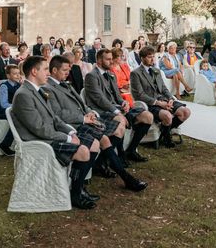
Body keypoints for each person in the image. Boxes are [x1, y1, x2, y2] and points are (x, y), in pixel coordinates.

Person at [47, 55, 147, 191]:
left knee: (115, 130)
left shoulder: (65, 84)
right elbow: (58, 114)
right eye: (64, 70)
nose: (68, 72)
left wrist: (90, 113)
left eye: (68, 69)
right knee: (105, 139)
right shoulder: (48, 88)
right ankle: (125, 177)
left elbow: (82, 104)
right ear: (54, 70)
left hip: (87, 120)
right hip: (74, 126)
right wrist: (83, 119)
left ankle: (110, 168)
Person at [11, 56, 99, 209]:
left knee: (94, 144)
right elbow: (39, 128)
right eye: (45, 69)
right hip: (38, 142)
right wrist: (66, 138)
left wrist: (70, 132)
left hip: (50, 135)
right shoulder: (23, 95)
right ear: (34, 71)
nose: (48, 73)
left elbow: (55, 118)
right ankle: (76, 194)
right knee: (83, 151)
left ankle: (78, 187)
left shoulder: (39, 90)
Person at [85, 49, 154, 163]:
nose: (111, 61)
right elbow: (99, 99)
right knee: (120, 120)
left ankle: (131, 150)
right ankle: (112, 157)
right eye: (108, 59)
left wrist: (123, 103)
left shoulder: (111, 74)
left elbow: (117, 95)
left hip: (116, 108)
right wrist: (117, 111)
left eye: (112, 59)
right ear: (98, 61)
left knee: (147, 116)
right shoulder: (91, 76)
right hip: (101, 111)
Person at [131, 46, 192, 148]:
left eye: (153, 57)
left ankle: (164, 133)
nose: (152, 59)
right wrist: (159, 103)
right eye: (149, 57)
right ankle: (167, 138)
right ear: (142, 58)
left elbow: (164, 88)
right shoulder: (135, 73)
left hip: (164, 100)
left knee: (186, 112)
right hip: (150, 104)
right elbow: (139, 95)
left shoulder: (156, 71)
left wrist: (171, 99)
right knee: (167, 116)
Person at [0, 64, 21, 156]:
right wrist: (17, 106)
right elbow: (4, 104)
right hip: (4, 110)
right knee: (19, 119)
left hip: (14, 109)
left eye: (18, 73)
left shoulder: (18, 85)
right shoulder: (4, 86)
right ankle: (5, 145)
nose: (18, 76)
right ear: (8, 75)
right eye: (15, 74)